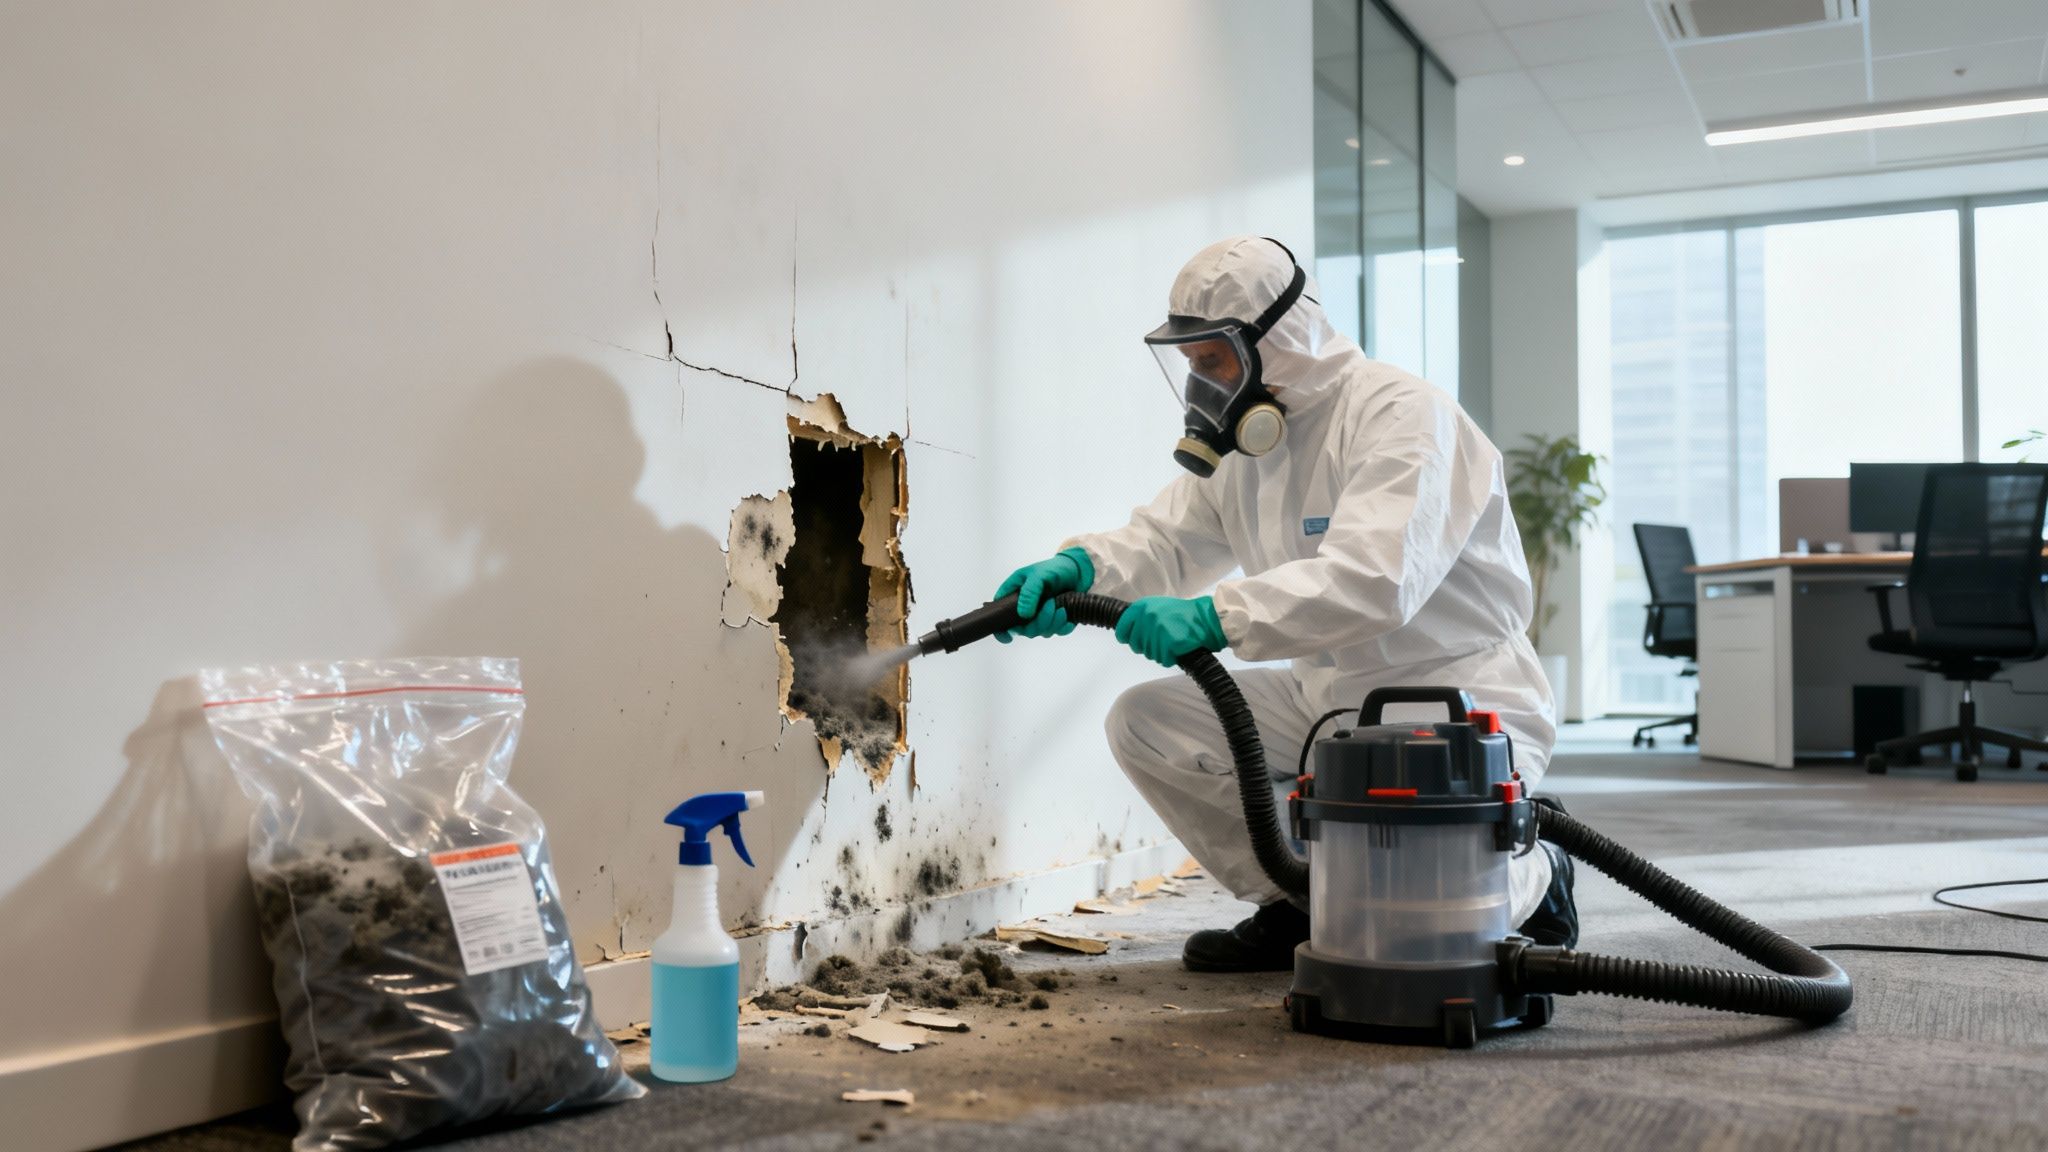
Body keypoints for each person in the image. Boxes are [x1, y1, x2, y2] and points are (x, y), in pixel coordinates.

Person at [993, 235, 1576, 972]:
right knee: (1147, 722)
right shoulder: (1249, 442)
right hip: (1325, 696)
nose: (1202, 383)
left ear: (1280, 338)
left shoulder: (1404, 417)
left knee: (1419, 927)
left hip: (1455, 699)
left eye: (1214, 360)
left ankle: (1542, 868)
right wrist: (1078, 568)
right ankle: (1296, 900)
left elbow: (1374, 580)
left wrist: (1215, 618)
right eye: (1192, 365)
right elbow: (1168, 541)